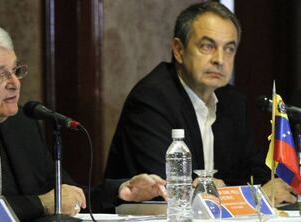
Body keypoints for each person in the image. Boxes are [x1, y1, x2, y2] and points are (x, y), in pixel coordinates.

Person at [0, 20, 167, 221]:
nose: (14, 83)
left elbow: (61, 194)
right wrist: (38, 205)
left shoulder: (20, 123)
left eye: (15, 70)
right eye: (0, 75)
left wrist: (121, 191)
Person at [105, 2, 296, 204]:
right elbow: (169, 188)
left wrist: (230, 191)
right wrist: (251, 196)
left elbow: (258, 174)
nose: (220, 59)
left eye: (229, 49)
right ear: (179, 50)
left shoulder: (232, 102)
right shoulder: (151, 100)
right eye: (207, 46)